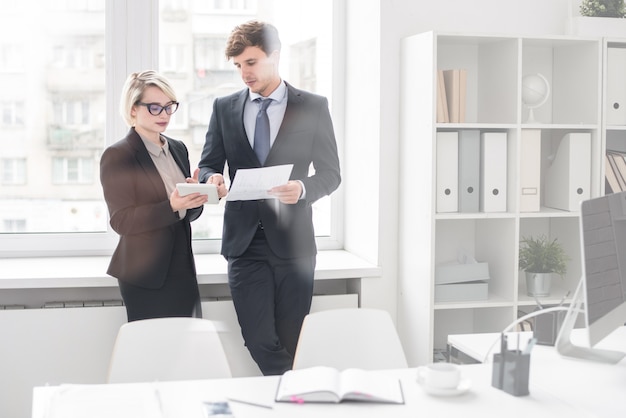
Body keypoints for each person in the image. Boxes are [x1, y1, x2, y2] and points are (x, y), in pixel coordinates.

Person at [198, 20, 341, 375]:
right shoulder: (224, 108)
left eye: (251, 62)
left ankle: (287, 403)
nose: (244, 73)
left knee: (293, 339)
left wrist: (303, 188)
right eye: (238, 65)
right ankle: (300, 393)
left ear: (274, 56)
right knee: (260, 339)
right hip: (245, 245)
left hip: (295, 244)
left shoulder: (313, 106)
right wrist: (211, 178)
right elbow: (208, 165)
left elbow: (330, 174)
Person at [100, 70, 209, 322]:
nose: (164, 115)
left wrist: (196, 198)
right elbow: (122, 221)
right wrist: (171, 206)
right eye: (154, 108)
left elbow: (185, 215)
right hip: (145, 276)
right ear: (133, 109)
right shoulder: (118, 155)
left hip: (183, 270)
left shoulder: (178, 149)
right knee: (152, 352)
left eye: (169, 107)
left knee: (185, 350)